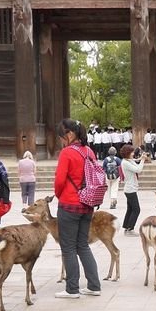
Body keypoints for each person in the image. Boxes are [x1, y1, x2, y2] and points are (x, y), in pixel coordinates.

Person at [53, 118, 102, 299]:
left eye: (61, 136)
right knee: (83, 245)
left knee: (68, 247)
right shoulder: (89, 151)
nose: (60, 140)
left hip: (69, 203)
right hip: (87, 203)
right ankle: (94, 285)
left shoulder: (67, 153)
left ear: (70, 134)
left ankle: (72, 288)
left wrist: (59, 195)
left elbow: (59, 180)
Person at [120, 143, 147, 234]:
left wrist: (140, 158)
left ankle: (126, 227)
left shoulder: (128, 160)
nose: (133, 153)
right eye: (131, 152)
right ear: (127, 153)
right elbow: (138, 170)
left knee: (130, 209)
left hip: (130, 188)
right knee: (136, 210)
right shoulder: (125, 163)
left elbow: (135, 160)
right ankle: (130, 229)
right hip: (130, 189)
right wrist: (142, 160)